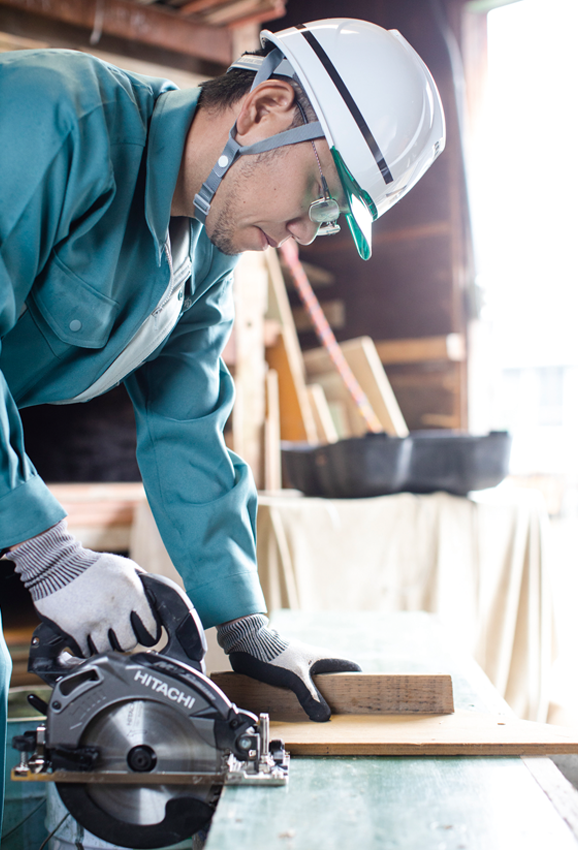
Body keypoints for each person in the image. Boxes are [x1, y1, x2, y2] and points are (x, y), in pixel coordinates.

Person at [0, 16, 445, 825]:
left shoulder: (206, 257)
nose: (307, 234)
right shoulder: (53, 121)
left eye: (334, 218)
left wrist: (244, 624)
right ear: (264, 107)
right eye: (320, 194)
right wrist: (48, 552)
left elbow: (189, 431)